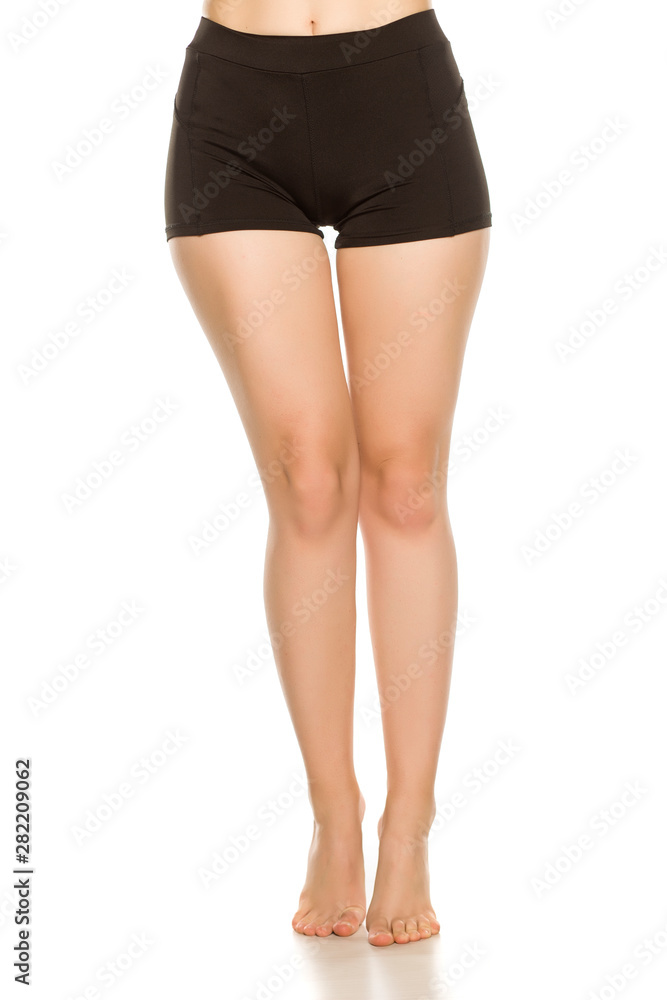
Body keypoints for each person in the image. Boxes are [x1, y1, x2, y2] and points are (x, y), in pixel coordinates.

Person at [164, 0, 491, 947]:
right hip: (235, 109)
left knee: (406, 482)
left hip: (400, 97)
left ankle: (407, 828)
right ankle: (332, 814)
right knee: (307, 477)